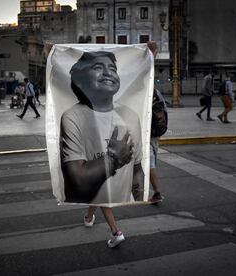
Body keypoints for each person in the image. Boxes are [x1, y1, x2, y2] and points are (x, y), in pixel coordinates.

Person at [60, 51, 144, 248]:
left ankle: (116, 231)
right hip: (96, 181)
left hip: (106, 186)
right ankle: (90, 217)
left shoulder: (129, 115)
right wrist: (113, 159)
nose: (108, 73)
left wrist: (148, 56)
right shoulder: (73, 116)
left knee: (100, 193)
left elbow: (137, 167)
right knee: (98, 191)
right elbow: (79, 180)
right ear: (81, 78)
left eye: (113, 69)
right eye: (98, 67)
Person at [147, 41, 166, 204]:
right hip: (156, 132)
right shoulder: (158, 94)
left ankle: (157, 192)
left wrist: (152, 54)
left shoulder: (150, 92)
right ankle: (154, 191)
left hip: (149, 132)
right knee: (149, 161)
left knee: (149, 162)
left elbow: (148, 73)